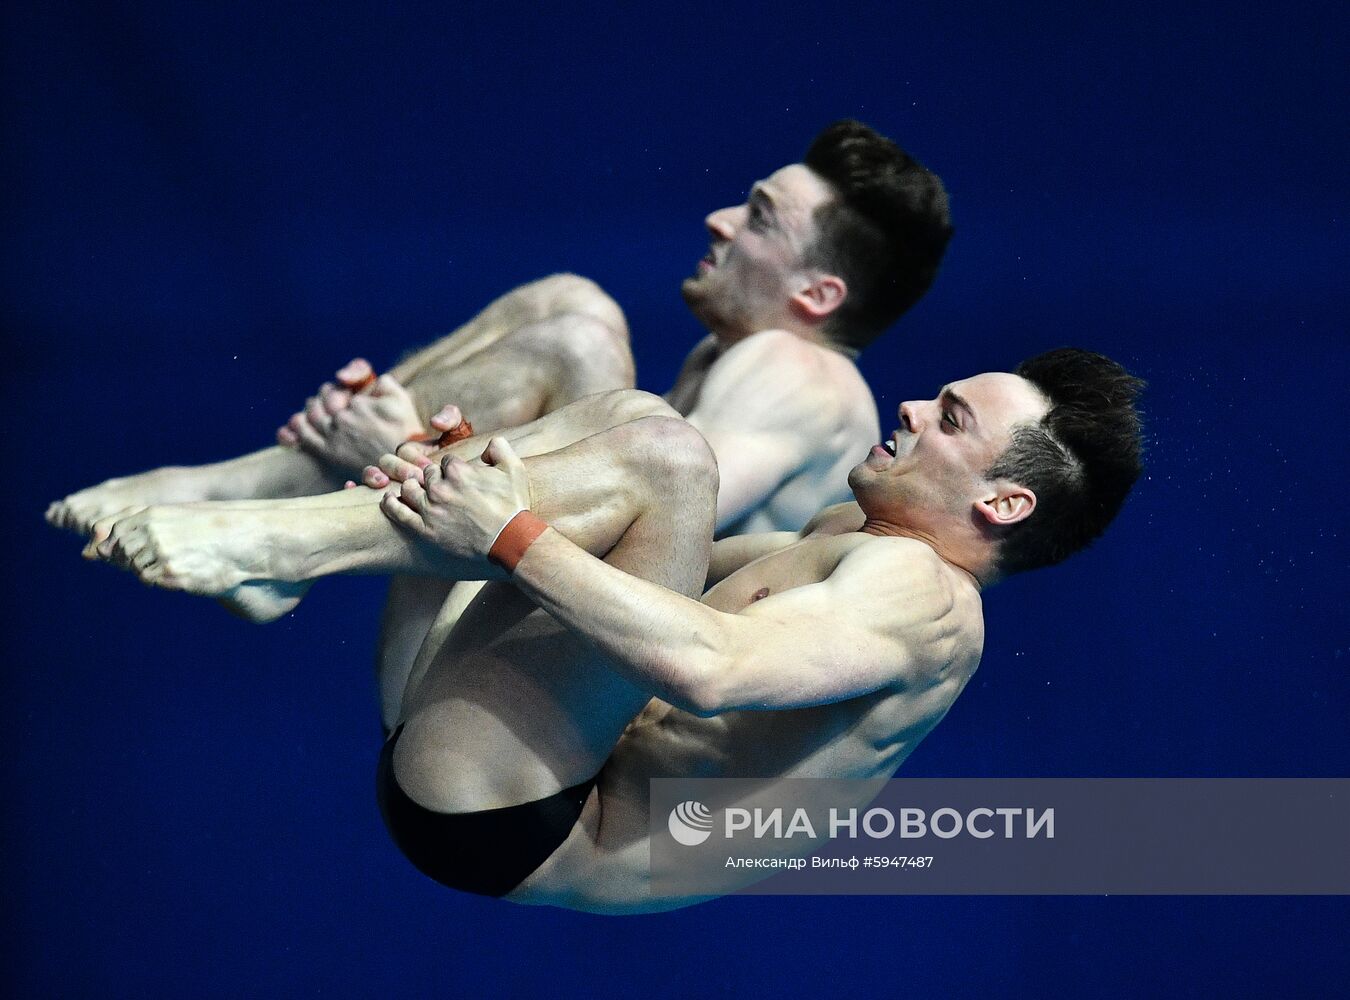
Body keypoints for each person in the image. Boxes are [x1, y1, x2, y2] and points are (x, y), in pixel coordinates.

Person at [86, 348, 1144, 913]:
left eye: (952, 418)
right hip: (495, 748)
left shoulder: (926, 603)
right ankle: (294, 540)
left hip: (522, 819)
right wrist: (470, 465)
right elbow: (623, 565)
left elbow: (706, 666)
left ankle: (276, 545)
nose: (914, 404)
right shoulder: (845, 533)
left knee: (670, 456)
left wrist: (503, 525)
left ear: (1004, 504)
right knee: (586, 357)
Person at [48, 119, 954, 728]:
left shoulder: (797, 372)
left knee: (583, 343)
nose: (719, 220)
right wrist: (416, 453)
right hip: (513, 681)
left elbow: (662, 509)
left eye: (757, 217)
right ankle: (253, 500)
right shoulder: (734, 361)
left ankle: (254, 514)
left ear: (816, 293)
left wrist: (409, 453)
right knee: (570, 308)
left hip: (548, 730)